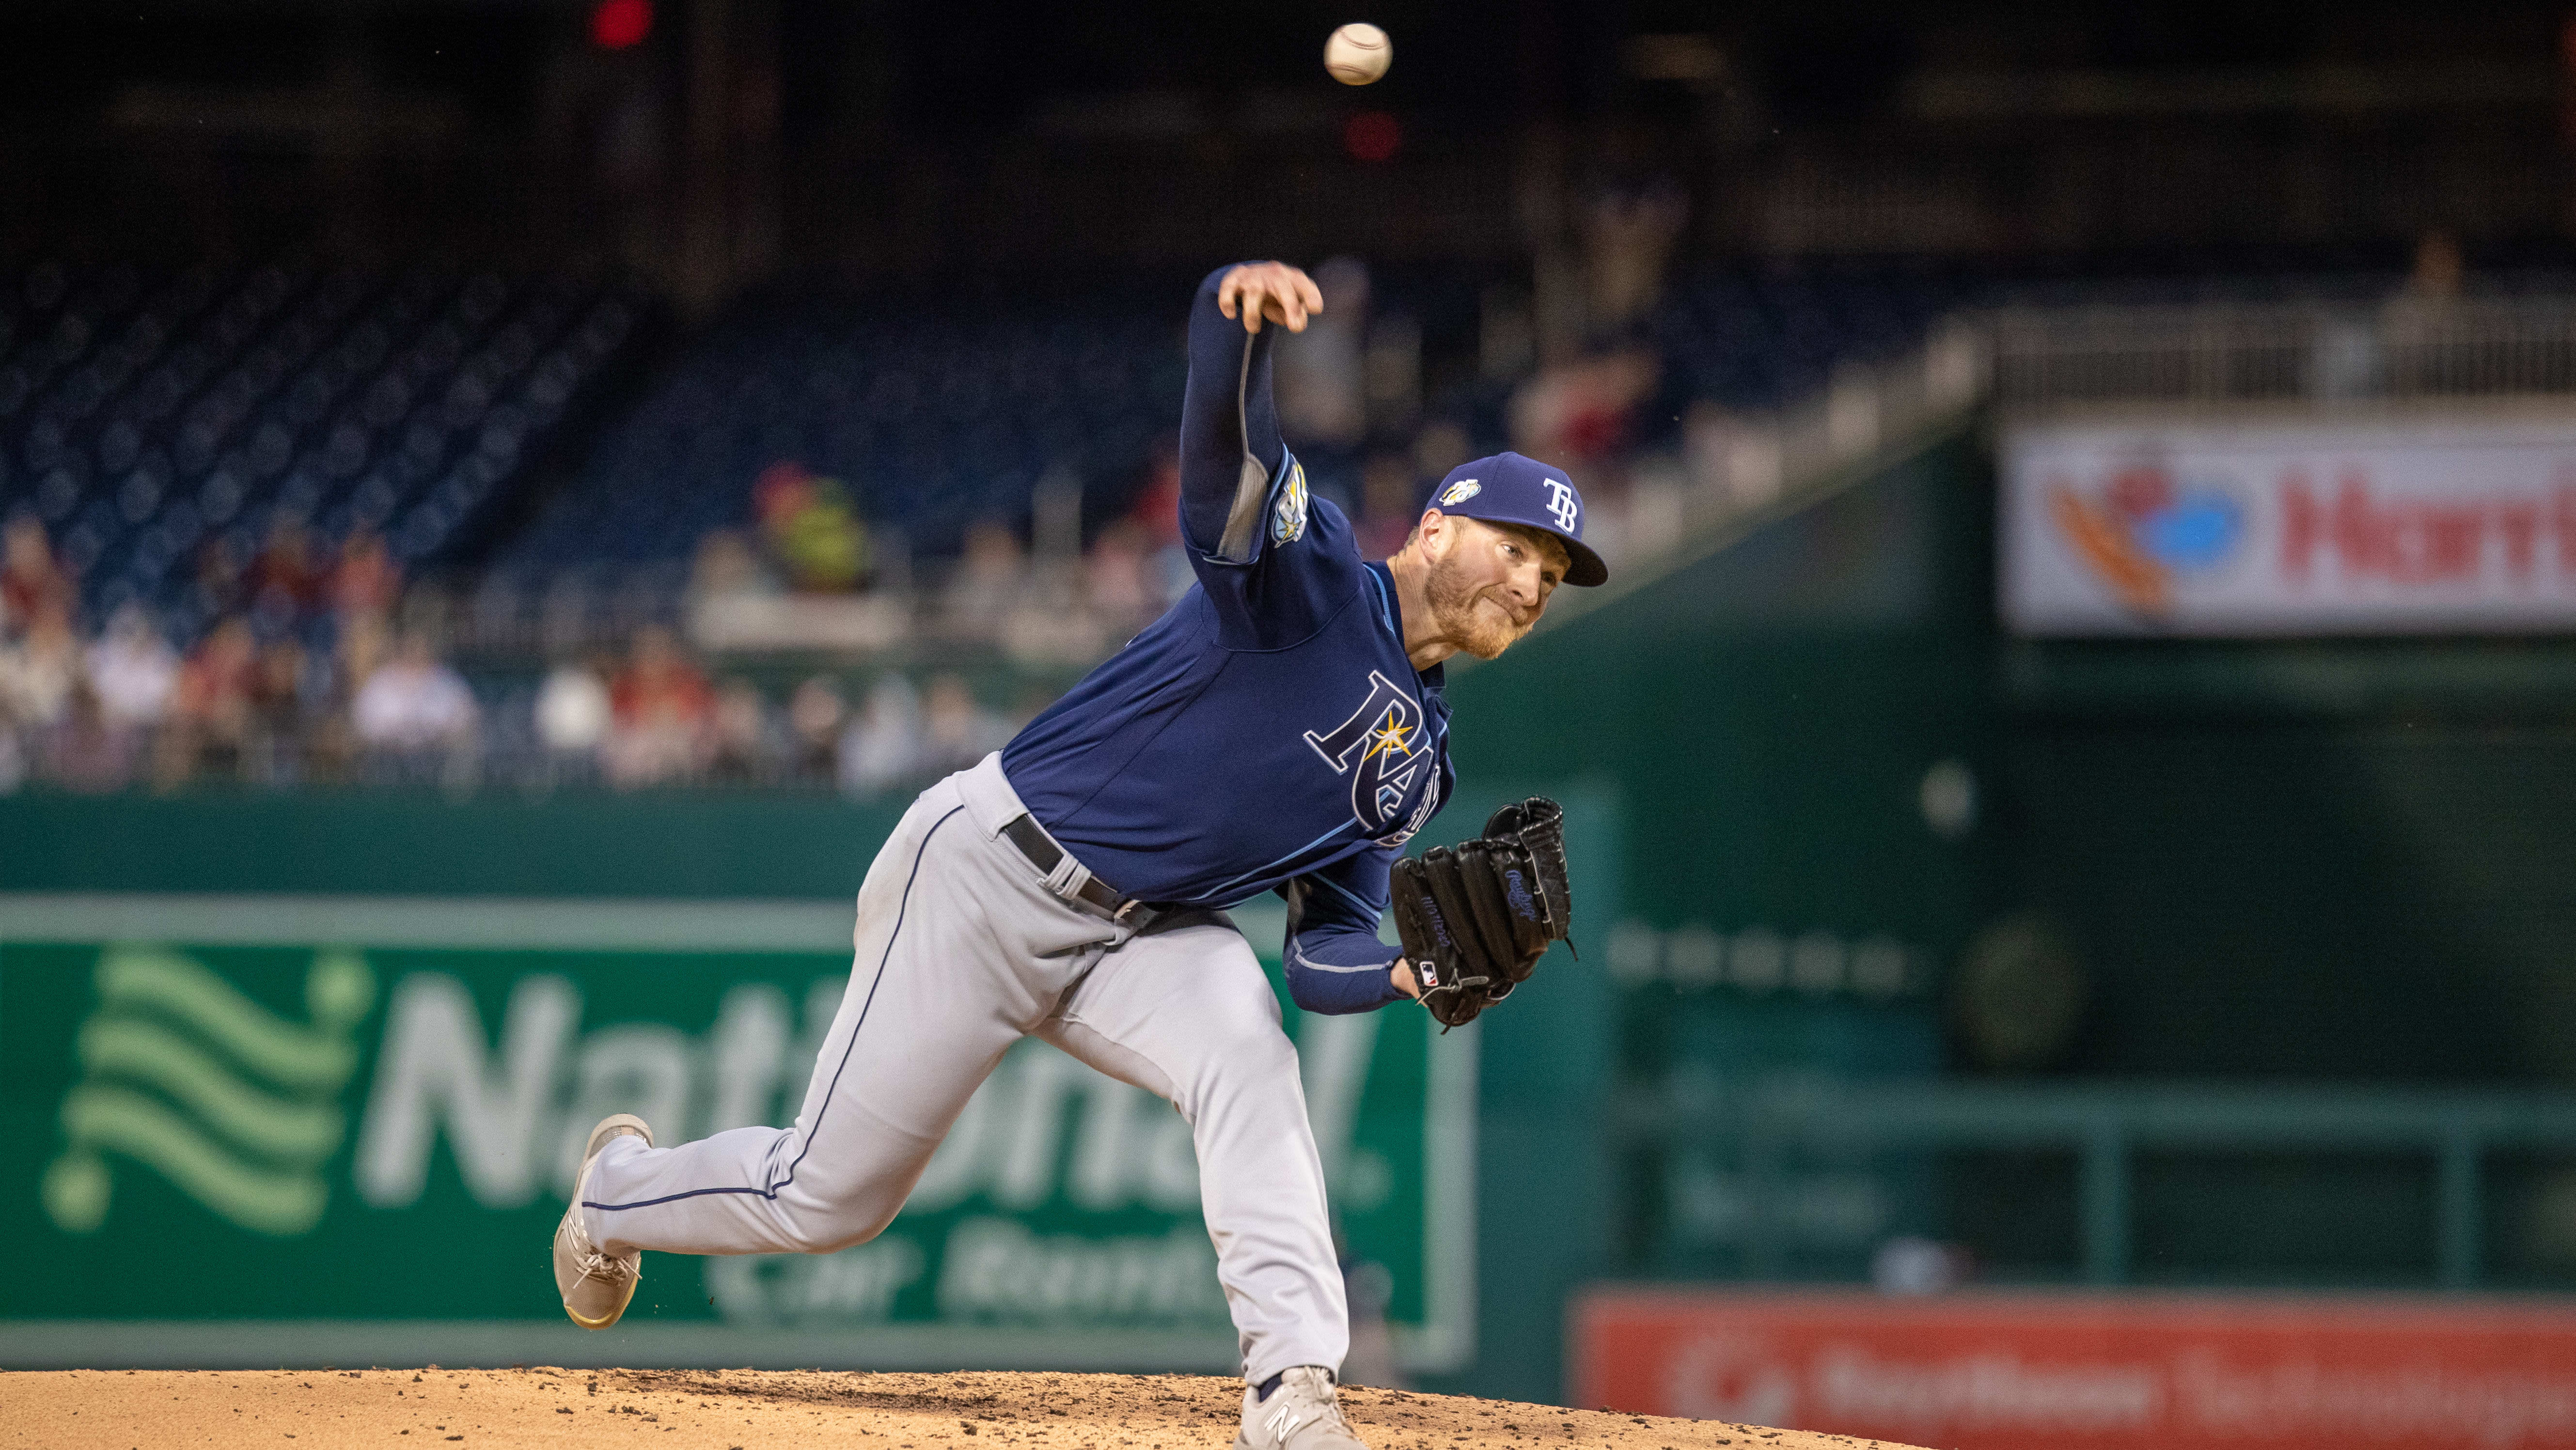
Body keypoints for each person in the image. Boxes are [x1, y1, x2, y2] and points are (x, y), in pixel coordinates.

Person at [550, 262, 1605, 1450]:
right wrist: (1231, 320)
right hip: (987, 875)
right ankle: (617, 1195)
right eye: (1518, 549)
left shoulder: (1421, 763)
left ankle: (1292, 1390)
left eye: (1551, 576)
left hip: (1146, 935)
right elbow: (1228, 462)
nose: (1530, 584)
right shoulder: (1310, 581)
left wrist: (1405, 971)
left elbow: (1323, 952)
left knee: (1250, 1051)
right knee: (827, 1200)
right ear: (1437, 526)